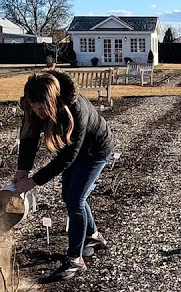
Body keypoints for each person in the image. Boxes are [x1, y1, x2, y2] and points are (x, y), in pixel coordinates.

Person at [11, 70, 112, 280]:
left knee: (76, 200)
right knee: (69, 196)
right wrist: (22, 171)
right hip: (75, 151)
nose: (37, 112)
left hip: (95, 150)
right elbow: (29, 138)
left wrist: (34, 181)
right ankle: (93, 236)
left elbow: (69, 156)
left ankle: (75, 259)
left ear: (52, 102)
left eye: (41, 108)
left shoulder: (76, 109)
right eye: (34, 107)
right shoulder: (33, 106)